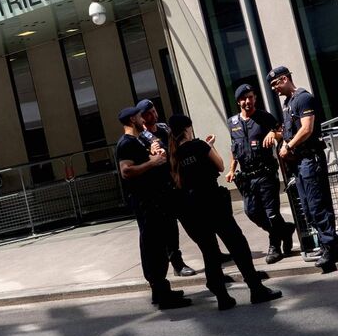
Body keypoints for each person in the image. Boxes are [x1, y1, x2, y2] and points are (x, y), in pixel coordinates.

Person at [168, 114, 282, 310]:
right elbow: (220, 166)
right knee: (237, 244)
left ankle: (221, 295)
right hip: (213, 203)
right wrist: (210, 145)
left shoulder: (173, 156)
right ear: (188, 128)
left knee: (209, 252)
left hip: (193, 209)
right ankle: (255, 288)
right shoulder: (199, 146)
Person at [267, 66, 338, 273]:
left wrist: (289, 145)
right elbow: (291, 130)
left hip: (310, 158)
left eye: (275, 84)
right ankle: (329, 246)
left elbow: (307, 128)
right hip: (299, 162)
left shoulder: (303, 98)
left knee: (317, 204)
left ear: (284, 79)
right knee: (308, 207)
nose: (274, 88)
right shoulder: (288, 103)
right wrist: (281, 138)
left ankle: (329, 247)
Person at [116, 105, 191, 310]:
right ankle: (161, 293)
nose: (144, 120)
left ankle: (161, 291)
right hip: (146, 202)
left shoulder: (139, 140)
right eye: (140, 117)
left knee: (158, 245)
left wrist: (153, 155)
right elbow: (127, 171)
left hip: (156, 199)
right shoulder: (126, 143)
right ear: (133, 119)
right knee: (153, 247)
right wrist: (153, 162)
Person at [227, 84, 296, 263]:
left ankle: (275, 246)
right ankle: (285, 230)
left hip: (265, 173)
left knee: (271, 213)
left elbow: (282, 131)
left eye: (250, 97)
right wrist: (232, 169)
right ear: (238, 101)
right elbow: (234, 148)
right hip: (247, 177)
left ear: (255, 98)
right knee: (252, 212)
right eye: (244, 98)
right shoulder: (232, 122)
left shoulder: (264, 117)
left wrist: (274, 134)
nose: (247, 101)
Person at [136, 99, 198, 278]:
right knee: (170, 228)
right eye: (148, 113)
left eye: (154, 111)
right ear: (141, 117)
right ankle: (177, 264)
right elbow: (143, 161)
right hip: (161, 187)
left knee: (192, 220)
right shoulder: (141, 138)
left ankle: (212, 250)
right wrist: (152, 153)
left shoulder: (164, 128)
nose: (153, 115)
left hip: (176, 181)